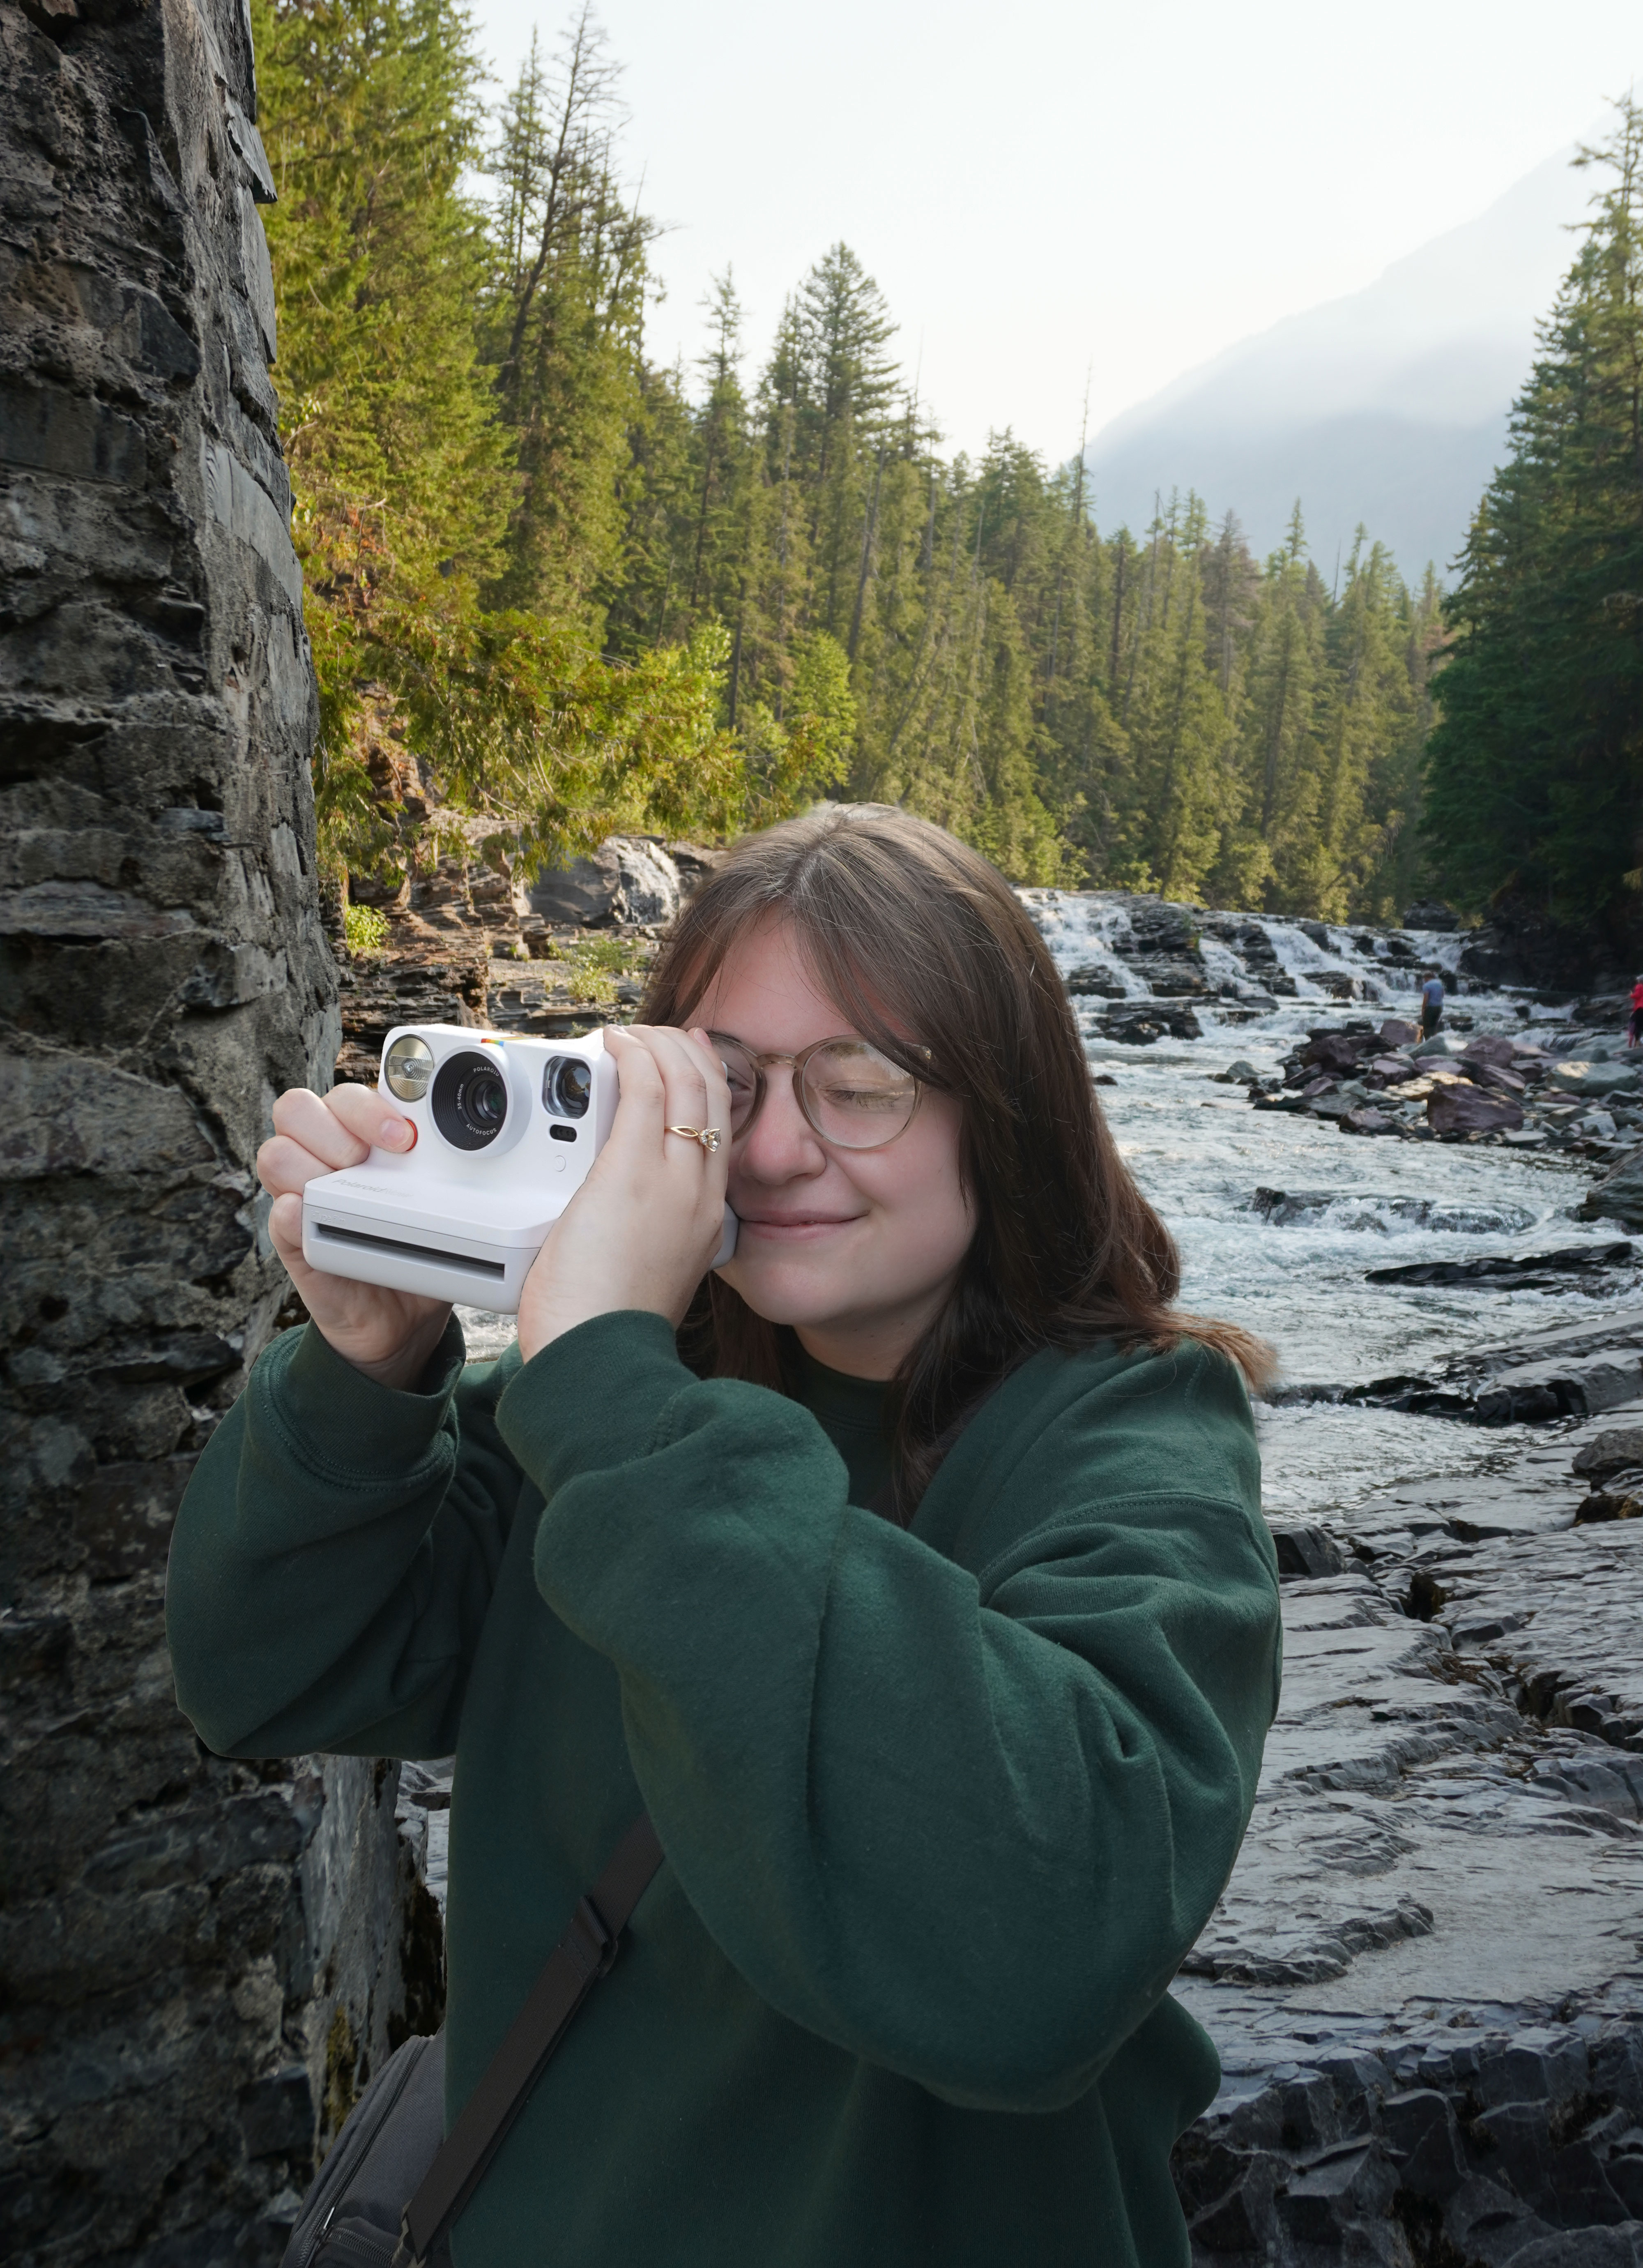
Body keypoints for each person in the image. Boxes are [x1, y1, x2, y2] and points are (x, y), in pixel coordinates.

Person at [167, 805, 1281, 2268]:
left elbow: (1034, 1950)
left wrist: (614, 1385)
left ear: (1001, 1111)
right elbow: (262, 1670)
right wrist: (367, 1374)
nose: (774, 1149)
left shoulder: (1131, 1446)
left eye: (862, 1083)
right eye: (726, 1084)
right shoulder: (598, 1417)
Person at [1419, 970, 1446, 1040]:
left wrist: (1423, 1009)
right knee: (1435, 1026)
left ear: (1427, 978)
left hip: (1431, 1008)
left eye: (1424, 979)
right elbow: (1443, 995)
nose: (1424, 980)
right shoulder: (1440, 984)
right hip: (1439, 1007)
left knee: (1427, 1027)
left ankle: (1427, 1043)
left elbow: (1426, 998)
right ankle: (1435, 1042)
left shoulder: (1427, 986)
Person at [1629, 975, 1643, 1048]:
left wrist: (1631, 995)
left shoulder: (1639, 986)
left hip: (1640, 1009)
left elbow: (1637, 995)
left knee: (1638, 1027)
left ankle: (1638, 1045)